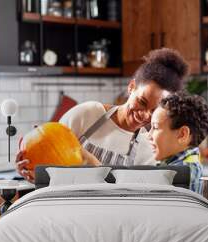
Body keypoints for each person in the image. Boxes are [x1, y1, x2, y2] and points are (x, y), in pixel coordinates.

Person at [16, 48, 189, 182]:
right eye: (142, 102)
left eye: (154, 111)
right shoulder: (87, 114)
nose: (144, 115)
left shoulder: (147, 149)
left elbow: (132, 202)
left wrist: (91, 162)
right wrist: (33, 173)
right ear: (131, 87)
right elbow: (49, 160)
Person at [147, 93, 208, 194]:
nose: (149, 135)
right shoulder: (190, 163)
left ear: (182, 134)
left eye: (155, 127)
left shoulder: (177, 175)